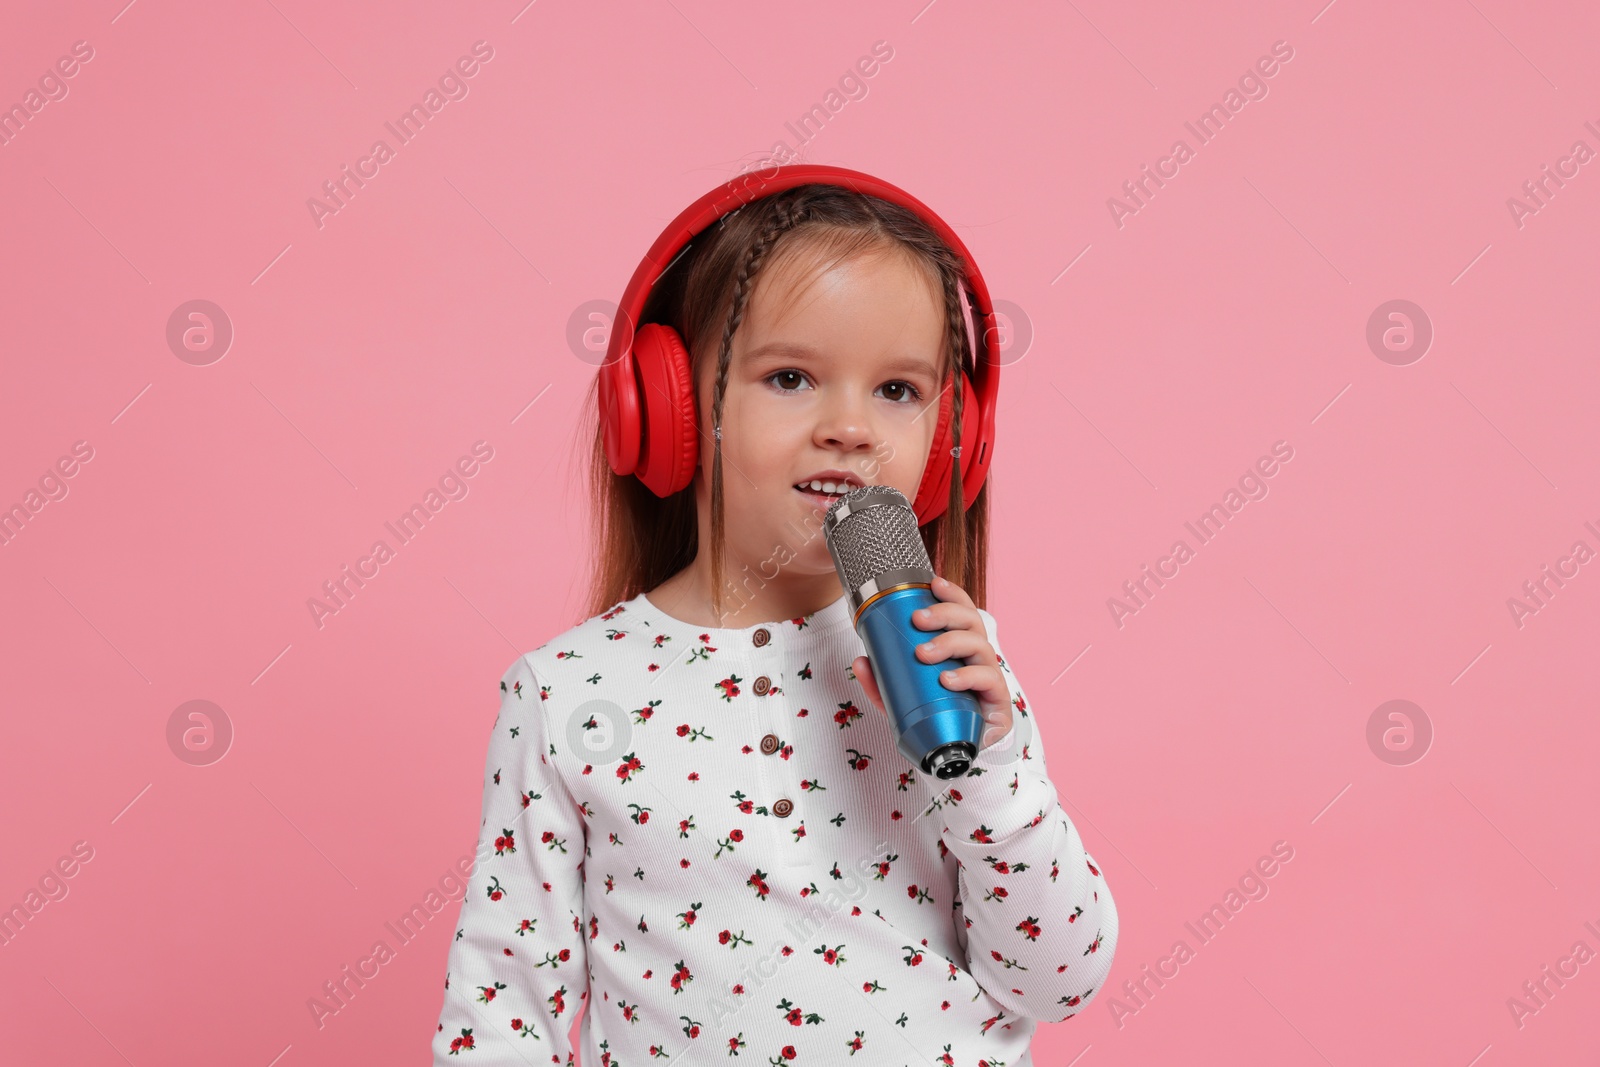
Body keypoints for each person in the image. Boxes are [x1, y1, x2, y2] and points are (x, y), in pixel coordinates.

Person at [430, 173, 1117, 1065]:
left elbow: (1058, 979)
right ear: (672, 411)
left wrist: (993, 773)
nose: (850, 428)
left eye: (899, 391)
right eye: (791, 377)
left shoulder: (950, 666)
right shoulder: (570, 696)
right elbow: (500, 1013)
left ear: (957, 433)